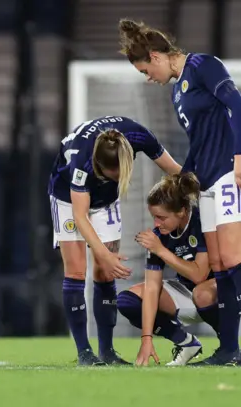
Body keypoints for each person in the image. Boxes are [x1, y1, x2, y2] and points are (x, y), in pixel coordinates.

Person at [118, 19, 241, 366]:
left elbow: (239, 106)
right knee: (217, 264)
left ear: (156, 56)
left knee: (234, 258)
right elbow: (200, 142)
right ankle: (230, 348)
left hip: (234, 172)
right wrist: (184, 179)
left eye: (145, 69)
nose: (147, 77)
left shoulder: (203, 65)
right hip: (207, 179)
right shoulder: (177, 91)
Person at [48, 115, 181, 365]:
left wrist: (200, 194)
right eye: (114, 175)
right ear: (99, 166)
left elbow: (175, 171)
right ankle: (84, 353)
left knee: (105, 274)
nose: (121, 179)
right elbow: (79, 216)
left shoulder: (138, 135)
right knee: (76, 271)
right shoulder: (81, 163)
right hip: (67, 198)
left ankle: (107, 352)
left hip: (105, 202)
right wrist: (105, 255)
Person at [117, 172, 220, 366]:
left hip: (218, 293)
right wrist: (146, 338)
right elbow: (152, 288)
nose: (156, 223)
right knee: (127, 301)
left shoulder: (200, 221)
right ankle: (186, 342)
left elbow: (200, 275)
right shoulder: (160, 236)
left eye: (161, 217)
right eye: (153, 217)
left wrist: (161, 250)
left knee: (202, 293)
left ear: (181, 211)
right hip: (188, 292)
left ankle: (227, 345)